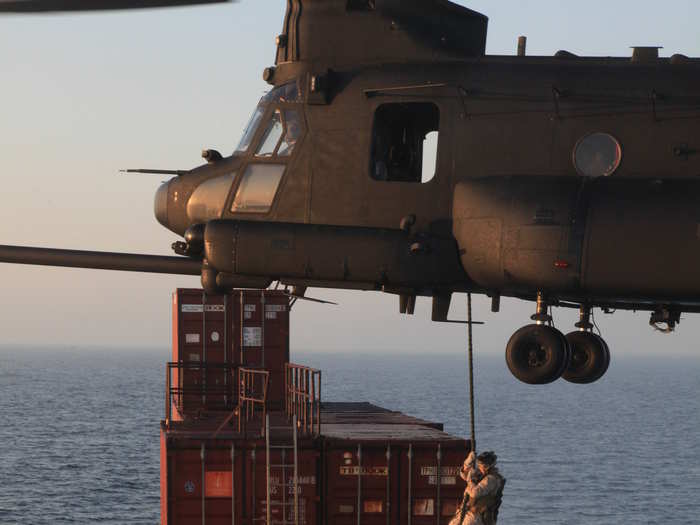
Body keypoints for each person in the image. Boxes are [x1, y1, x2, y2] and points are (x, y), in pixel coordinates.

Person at [450, 451, 506, 525]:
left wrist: (470, 480)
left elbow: (475, 493)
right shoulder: (481, 474)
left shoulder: (492, 479)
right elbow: (464, 474)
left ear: (487, 466)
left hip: (477, 515)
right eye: (479, 465)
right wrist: (468, 462)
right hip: (466, 511)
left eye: (481, 465)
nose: (479, 467)